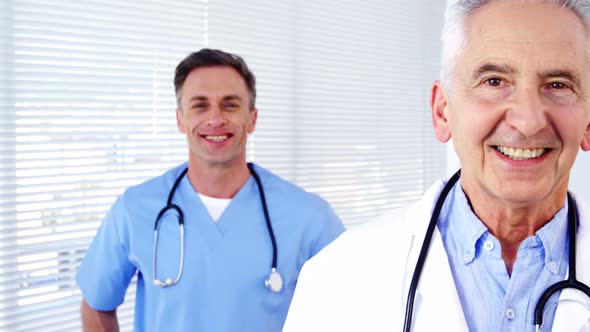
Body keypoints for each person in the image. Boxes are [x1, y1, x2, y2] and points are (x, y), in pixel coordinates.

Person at [283, 1, 590, 331]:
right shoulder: (337, 278)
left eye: (558, 84)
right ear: (443, 111)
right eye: (494, 81)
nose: (528, 121)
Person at [76, 48, 345, 332]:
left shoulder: (309, 216)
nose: (215, 118)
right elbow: (96, 305)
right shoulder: (134, 210)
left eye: (230, 105)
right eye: (200, 105)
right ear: (181, 119)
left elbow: (356, 302)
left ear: (252, 118)